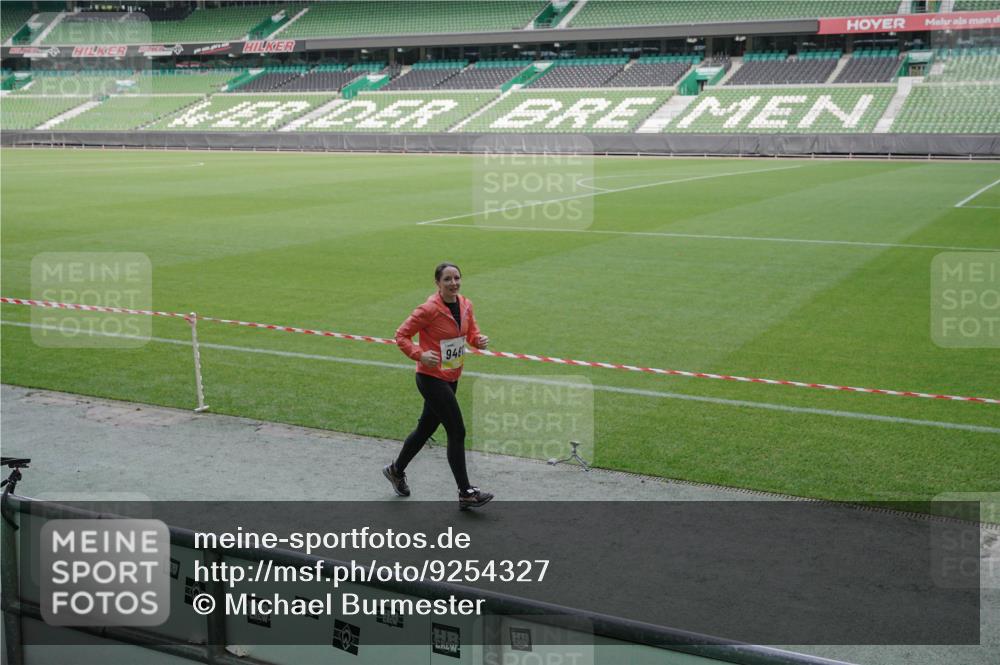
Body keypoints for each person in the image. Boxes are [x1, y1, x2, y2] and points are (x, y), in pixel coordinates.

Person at [384, 262, 494, 510]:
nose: (453, 283)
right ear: (437, 283)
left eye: (456, 278)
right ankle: (465, 492)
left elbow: (471, 334)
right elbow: (401, 335)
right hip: (430, 378)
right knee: (457, 431)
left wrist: (479, 341)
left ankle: (396, 470)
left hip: (452, 376)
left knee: (424, 430)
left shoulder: (466, 305)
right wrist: (419, 354)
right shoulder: (428, 309)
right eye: (447, 279)